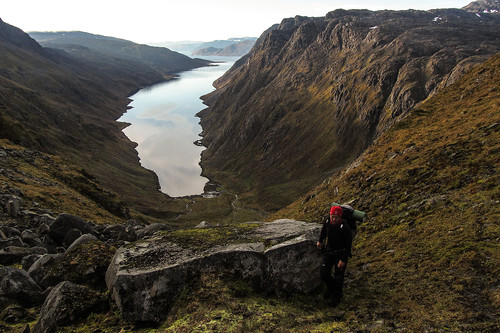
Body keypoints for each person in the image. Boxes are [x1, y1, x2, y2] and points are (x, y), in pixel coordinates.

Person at [317, 205, 353, 307]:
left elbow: (348, 246)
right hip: (329, 252)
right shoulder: (328, 221)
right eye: (332, 216)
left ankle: (336, 298)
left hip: (340, 254)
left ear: (340, 217)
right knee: (324, 273)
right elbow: (323, 231)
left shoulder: (345, 228)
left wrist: (343, 259)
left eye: (336, 217)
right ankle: (332, 288)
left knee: (339, 277)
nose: (333, 219)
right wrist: (320, 241)